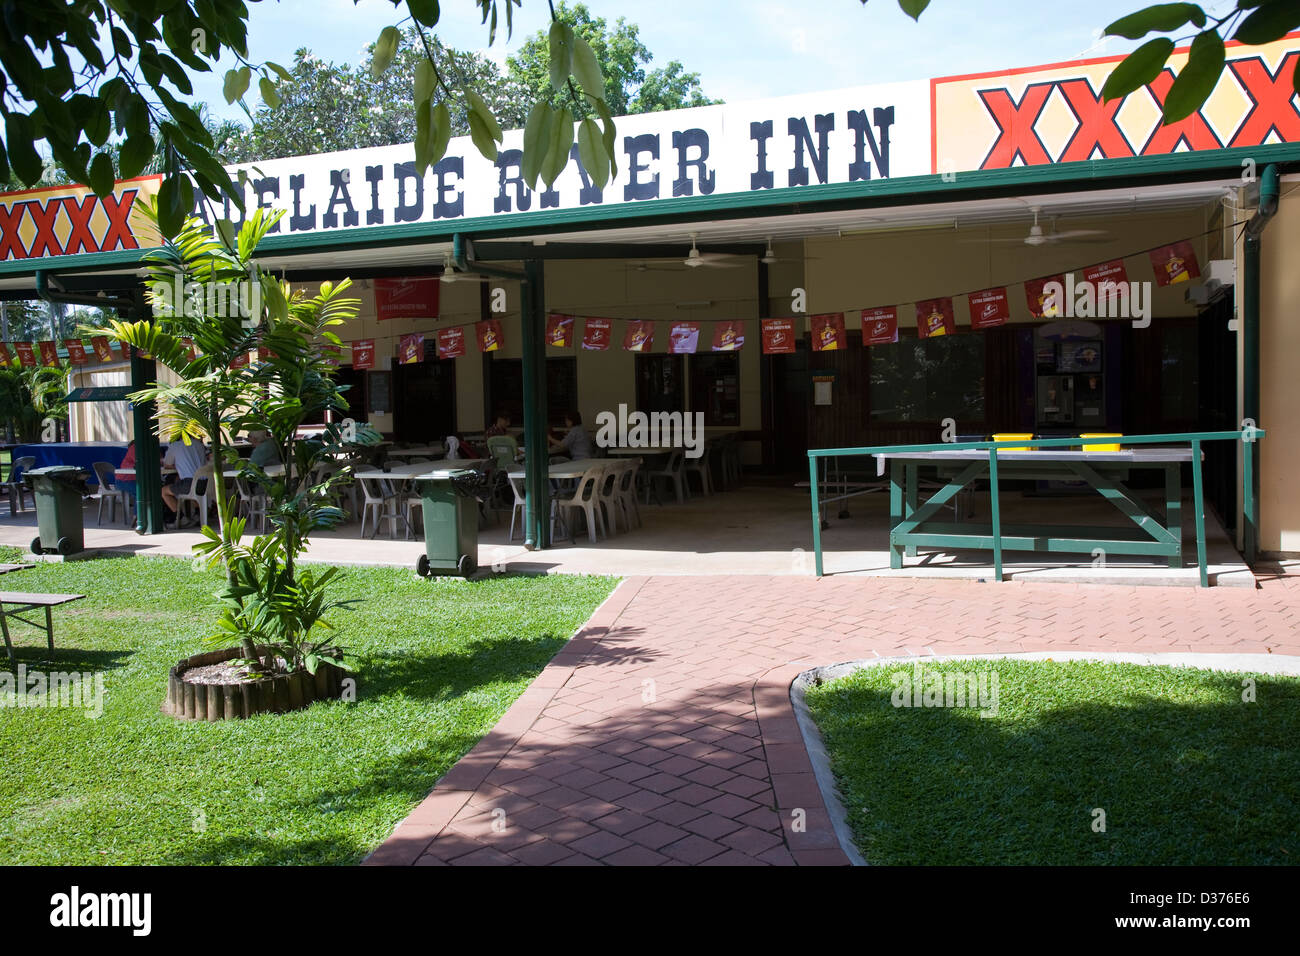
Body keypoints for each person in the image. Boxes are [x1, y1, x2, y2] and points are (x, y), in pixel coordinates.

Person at [161, 436, 209, 523]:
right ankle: (198, 515)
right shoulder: (199, 444)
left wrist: (178, 465)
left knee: (163, 491)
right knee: (190, 490)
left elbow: (167, 465)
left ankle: (181, 519)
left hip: (189, 483)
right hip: (204, 482)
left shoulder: (175, 446)